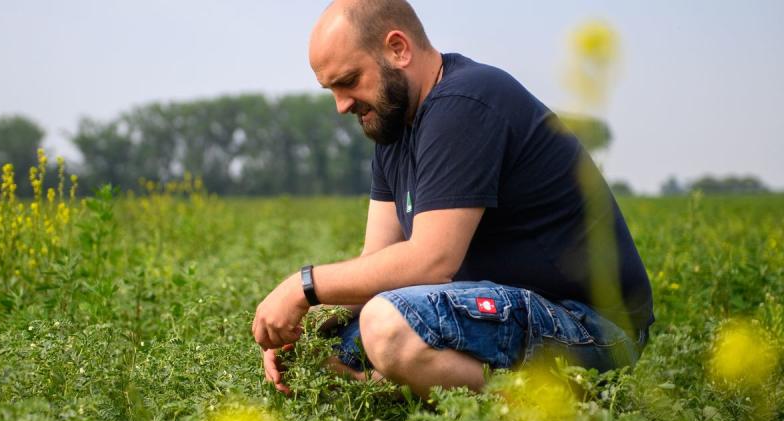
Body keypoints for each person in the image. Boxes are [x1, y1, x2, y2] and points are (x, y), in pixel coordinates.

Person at [252, 0, 653, 398]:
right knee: (323, 341)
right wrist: (306, 326)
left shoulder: (465, 102)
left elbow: (432, 261)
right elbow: (377, 259)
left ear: (398, 48)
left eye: (349, 80)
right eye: (331, 90)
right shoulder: (394, 128)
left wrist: (302, 286)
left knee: (386, 326)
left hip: (588, 324)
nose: (341, 105)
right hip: (500, 313)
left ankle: (545, 408)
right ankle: (392, 387)